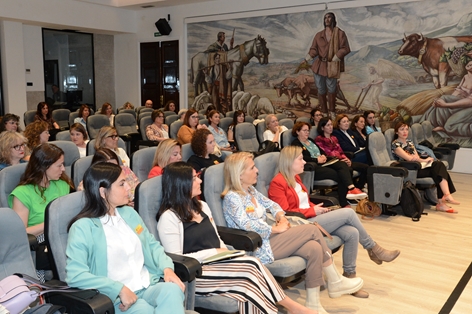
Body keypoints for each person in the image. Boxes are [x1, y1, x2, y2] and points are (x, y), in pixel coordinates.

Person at [157, 162, 318, 314]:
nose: (199, 180)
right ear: (180, 184)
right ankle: (293, 307)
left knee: (247, 281)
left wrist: (228, 255)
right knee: (249, 271)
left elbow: (217, 239)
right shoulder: (169, 218)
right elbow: (177, 261)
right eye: (194, 178)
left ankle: (292, 309)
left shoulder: (203, 207)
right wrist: (214, 252)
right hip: (196, 275)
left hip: (219, 263)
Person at [221, 152, 363, 312]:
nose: (257, 171)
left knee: (314, 248)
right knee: (311, 229)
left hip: (271, 239)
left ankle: (313, 303)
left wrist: (280, 216)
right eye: (252, 168)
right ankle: (335, 280)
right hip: (257, 247)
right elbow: (247, 226)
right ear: (239, 175)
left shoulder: (251, 191)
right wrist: (275, 228)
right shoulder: (232, 198)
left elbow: (272, 205)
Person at [268, 146, 401, 298]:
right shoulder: (277, 183)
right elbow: (285, 213)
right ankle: (374, 249)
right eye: (300, 159)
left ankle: (350, 276)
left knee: (352, 232)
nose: (304, 161)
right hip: (302, 225)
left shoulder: (296, 178)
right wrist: (312, 211)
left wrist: (315, 207)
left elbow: (304, 202)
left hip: (311, 217)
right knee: (349, 213)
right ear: (289, 162)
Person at [66, 162, 185, 314]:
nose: (129, 187)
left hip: (147, 285)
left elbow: (152, 245)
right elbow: (75, 275)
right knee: (144, 310)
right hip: (116, 298)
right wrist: (119, 289)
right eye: (122, 184)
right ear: (103, 192)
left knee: (172, 290)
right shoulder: (83, 227)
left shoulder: (130, 214)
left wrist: (167, 269)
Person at [9, 143, 73, 280]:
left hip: (64, 234)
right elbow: (21, 233)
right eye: (59, 165)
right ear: (44, 166)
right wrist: (51, 223)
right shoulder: (22, 193)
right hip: (38, 242)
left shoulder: (62, 184)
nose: (63, 169)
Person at [291, 121, 367, 207]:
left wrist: (323, 156)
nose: (307, 132)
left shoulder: (310, 140)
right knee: (341, 174)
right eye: (304, 130)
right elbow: (302, 158)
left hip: (324, 163)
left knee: (344, 166)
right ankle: (345, 199)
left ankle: (350, 190)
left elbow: (321, 151)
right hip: (313, 167)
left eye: (308, 130)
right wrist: (316, 160)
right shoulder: (296, 144)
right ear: (297, 131)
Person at [391, 122, 459, 213]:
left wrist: (426, 159)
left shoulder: (409, 142)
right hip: (410, 170)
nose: (405, 132)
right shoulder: (395, 144)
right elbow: (409, 159)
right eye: (402, 129)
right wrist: (420, 160)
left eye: (406, 129)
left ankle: (445, 197)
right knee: (439, 171)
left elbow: (417, 158)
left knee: (439, 166)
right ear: (396, 132)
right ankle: (442, 201)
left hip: (418, 166)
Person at [302, 12, 351, 120]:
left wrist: (336, 56)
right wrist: (306, 59)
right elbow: (314, 49)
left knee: (332, 89)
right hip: (319, 66)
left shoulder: (340, 34)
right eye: (325, 18)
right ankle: (324, 112)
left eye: (329, 17)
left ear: (333, 19)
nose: (327, 19)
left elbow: (346, 48)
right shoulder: (319, 35)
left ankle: (332, 111)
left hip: (332, 66)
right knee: (321, 89)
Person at [421, 59, 472, 136]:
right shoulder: (465, 77)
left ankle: (441, 127)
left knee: (449, 126)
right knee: (443, 99)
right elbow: (458, 90)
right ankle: (428, 125)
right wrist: (449, 100)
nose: (470, 65)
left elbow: (470, 101)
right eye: (469, 64)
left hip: (469, 106)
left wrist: (446, 105)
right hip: (461, 100)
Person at [316, 117, 369, 188]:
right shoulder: (319, 139)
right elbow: (327, 154)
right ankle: (349, 191)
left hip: (343, 160)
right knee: (348, 169)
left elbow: (340, 151)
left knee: (366, 167)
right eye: (328, 125)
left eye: (331, 125)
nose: (331, 127)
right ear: (322, 128)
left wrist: (347, 159)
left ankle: (359, 187)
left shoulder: (334, 138)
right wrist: (341, 160)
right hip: (333, 163)